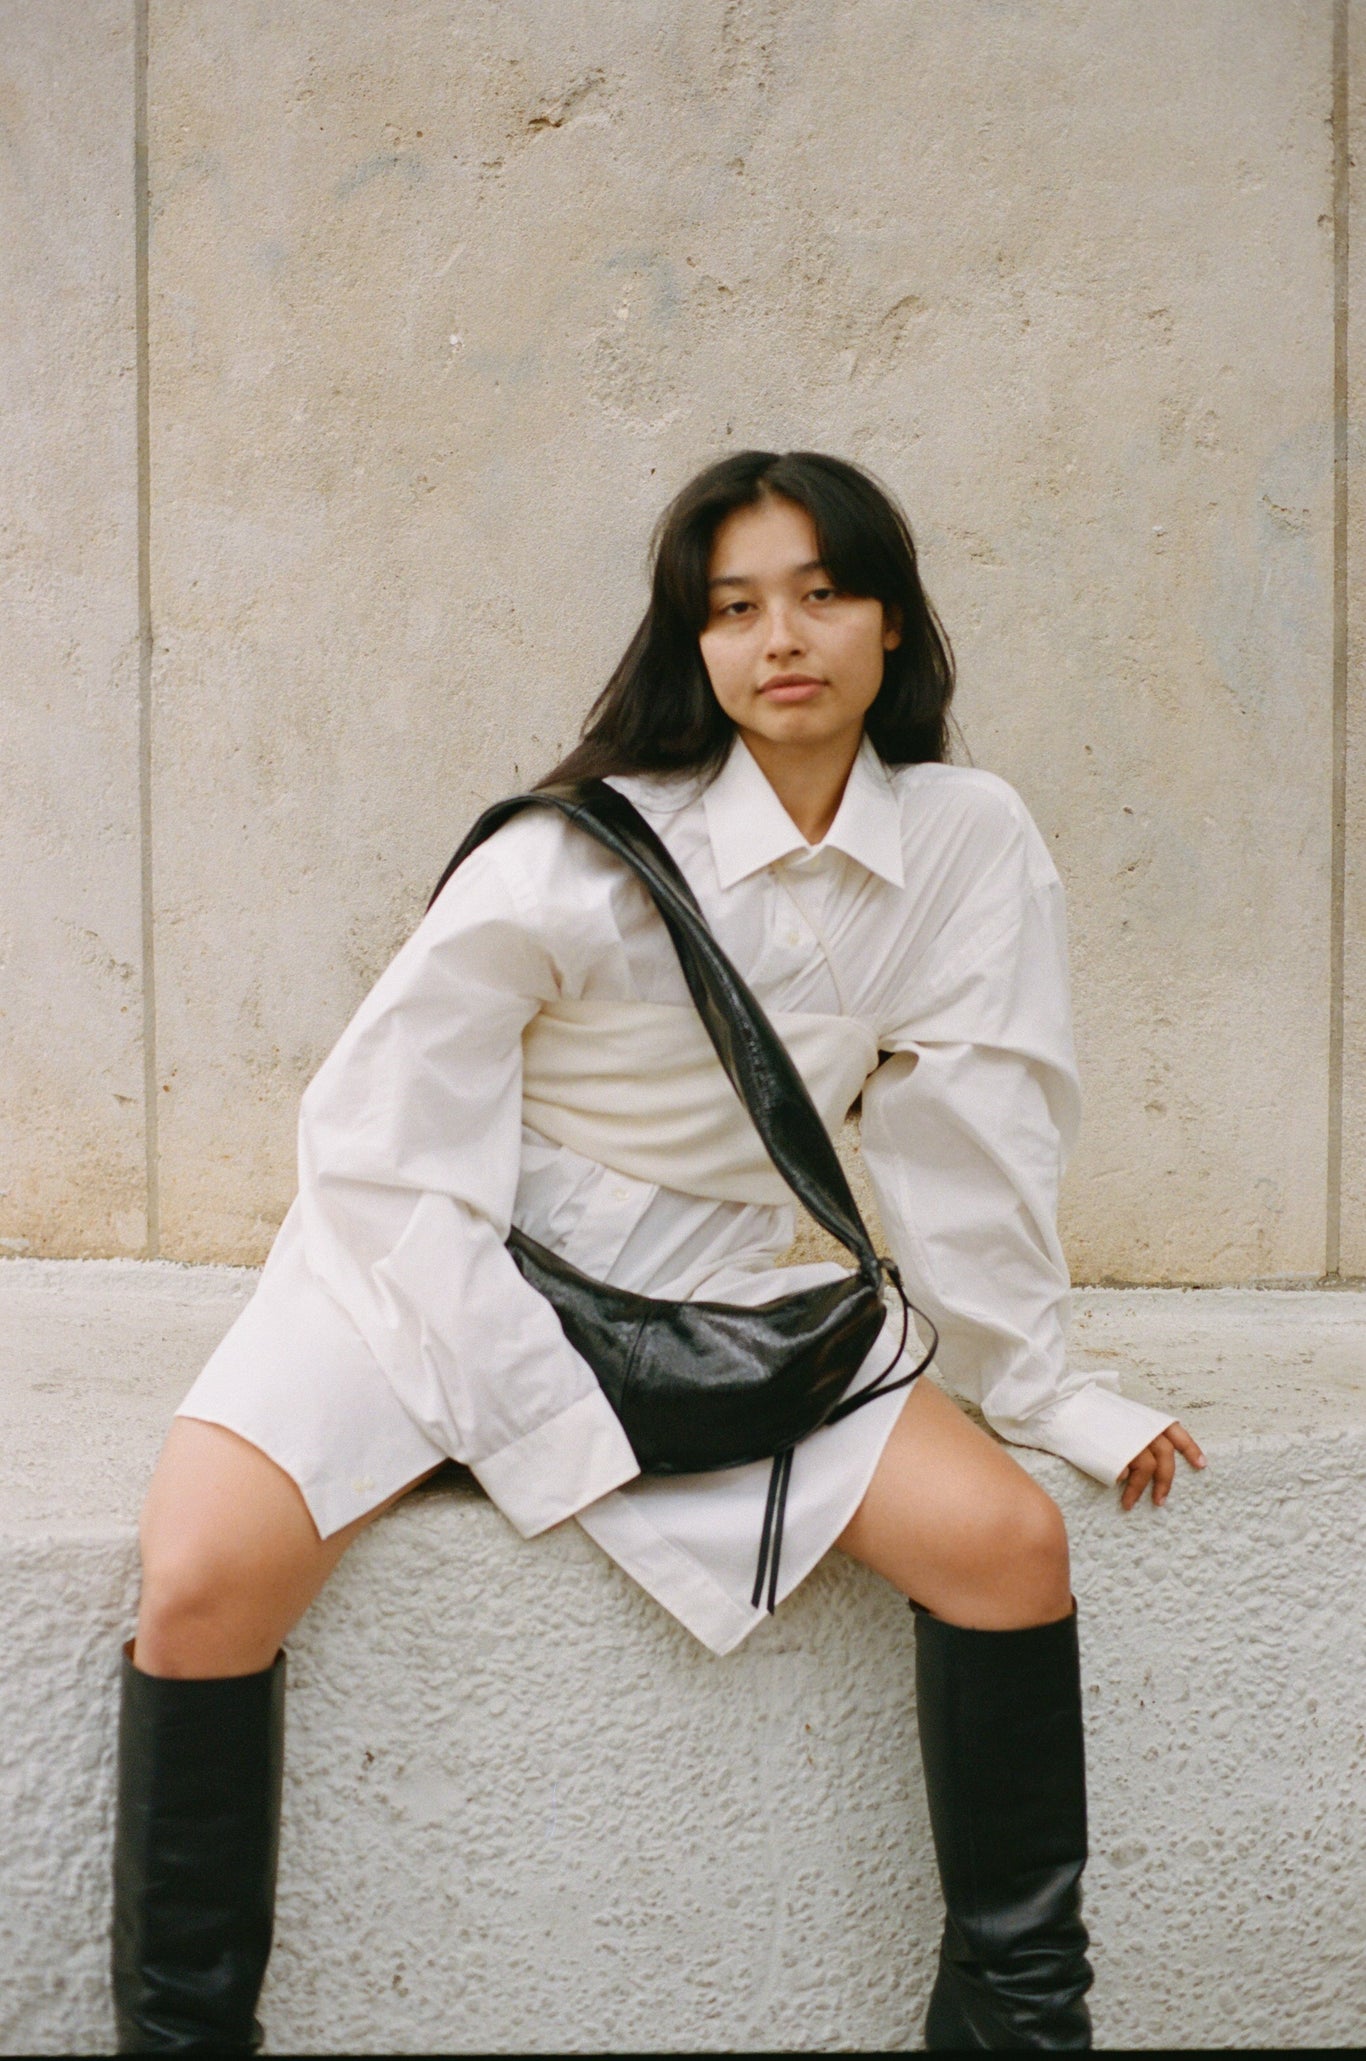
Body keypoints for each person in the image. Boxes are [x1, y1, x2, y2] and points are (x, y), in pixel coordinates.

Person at [112, 449, 1206, 2053]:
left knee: (1006, 1544)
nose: (782, 638)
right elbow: (381, 1139)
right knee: (203, 1576)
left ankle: (1017, 2026)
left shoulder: (968, 840)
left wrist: (1042, 1388)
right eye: (733, 606)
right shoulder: (572, 852)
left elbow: (974, 1143)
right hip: (431, 1248)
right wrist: (533, 1410)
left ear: (893, 623)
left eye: (820, 594)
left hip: (724, 1285)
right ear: (690, 642)